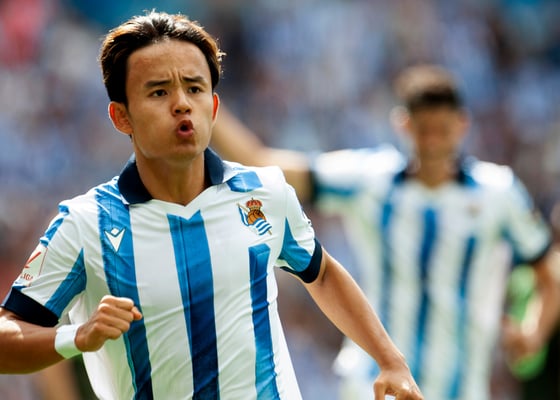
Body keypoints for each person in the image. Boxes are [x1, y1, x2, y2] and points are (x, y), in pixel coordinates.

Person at [0, 10, 422, 400]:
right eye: (159, 91)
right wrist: (76, 337)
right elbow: (7, 337)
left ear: (213, 106)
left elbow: (322, 272)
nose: (182, 103)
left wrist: (390, 360)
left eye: (195, 88)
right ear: (121, 116)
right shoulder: (85, 223)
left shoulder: (263, 192)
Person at [210, 64, 560, 399]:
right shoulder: (371, 180)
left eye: (442, 130)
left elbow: (550, 272)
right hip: (374, 383)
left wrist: (534, 332)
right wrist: (202, 104)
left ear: (462, 125)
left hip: (460, 388)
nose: (433, 142)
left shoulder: (497, 193)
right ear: (403, 124)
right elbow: (262, 161)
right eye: (424, 130)